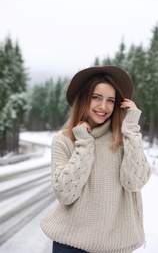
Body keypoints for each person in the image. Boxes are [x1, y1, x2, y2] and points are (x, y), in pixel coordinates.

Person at [40, 65, 151, 253]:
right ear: (84, 99)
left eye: (110, 100)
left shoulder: (124, 139)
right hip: (70, 245)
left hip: (115, 247)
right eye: (96, 97)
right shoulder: (64, 141)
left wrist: (131, 127)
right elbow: (65, 193)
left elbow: (135, 182)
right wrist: (84, 141)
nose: (103, 106)